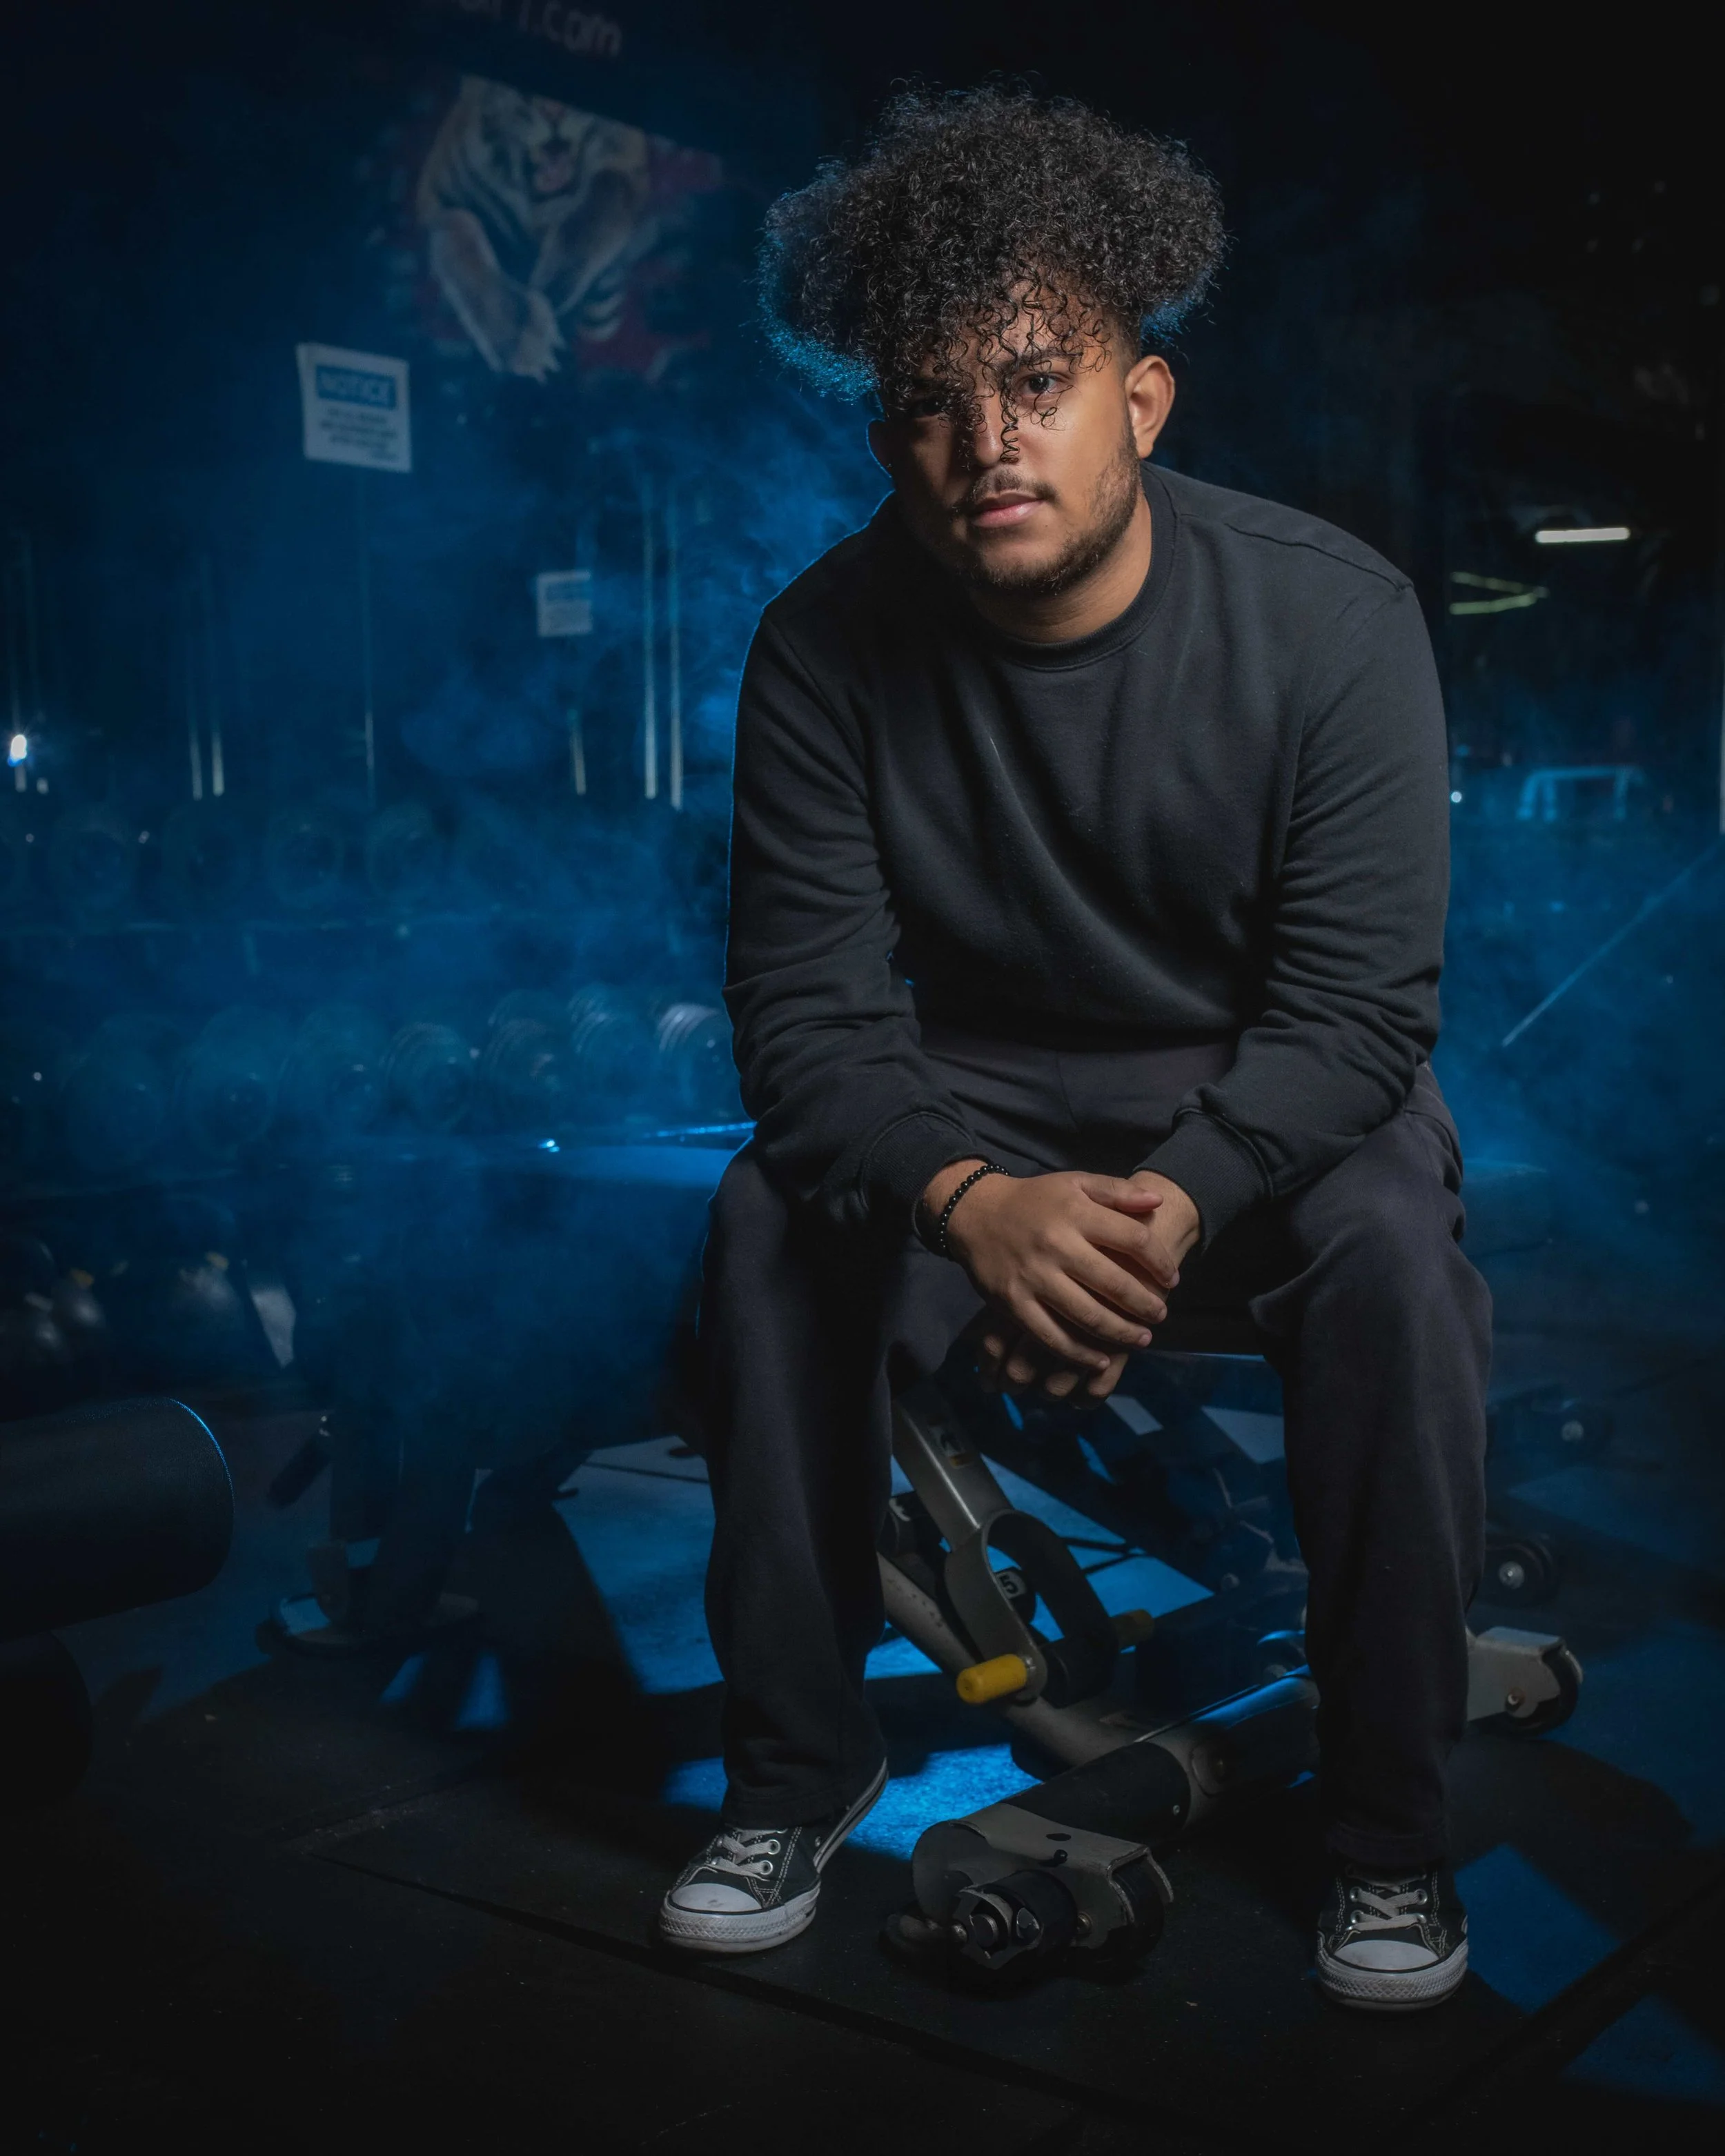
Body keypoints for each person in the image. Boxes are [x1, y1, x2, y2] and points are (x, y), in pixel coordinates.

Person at [658, 87, 1489, 2013]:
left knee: (1390, 1248)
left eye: (1035, 380)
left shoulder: (1329, 616)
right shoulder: (820, 643)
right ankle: (798, 1765)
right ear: (882, 430)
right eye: (933, 402)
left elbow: (1360, 1011)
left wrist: (1155, 1208)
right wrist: (976, 1204)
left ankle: (1385, 1826)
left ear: (1145, 397)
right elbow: (802, 1024)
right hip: (973, 1097)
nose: (985, 443)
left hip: (1258, 1089)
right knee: (769, 1218)